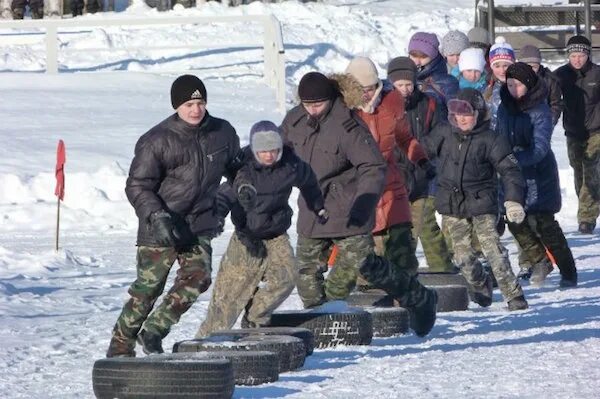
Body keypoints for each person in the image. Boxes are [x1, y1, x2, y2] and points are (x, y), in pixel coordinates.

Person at [106, 74, 242, 357]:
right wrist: (156, 216)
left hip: (199, 224)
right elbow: (137, 185)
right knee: (148, 290)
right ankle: (120, 346)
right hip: (161, 225)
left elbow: (237, 170)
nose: (195, 109)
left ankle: (154, 331)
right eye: (189, 103)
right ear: (176, 106)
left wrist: (242, 189)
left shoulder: (223, 132)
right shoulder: (157, 140)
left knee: (198, 278)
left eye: (200, 102)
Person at [195, 121, 327, 338]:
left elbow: (309, 182)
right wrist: (216, 217)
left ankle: (255, 318)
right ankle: (204, 343)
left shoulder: (291, 165)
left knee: (287, 277)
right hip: (246, 238)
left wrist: (318, 207)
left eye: (274, 150)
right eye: (263, 151)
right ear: (255, 150)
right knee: (228, 298)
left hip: (276, 235)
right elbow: (223, 196)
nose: (269, 156)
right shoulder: (242, 169)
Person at [280, 71, 387, 310]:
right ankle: (317, 320)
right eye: (307, 104)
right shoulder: (294, 121)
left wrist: (364, 203)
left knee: (356, 263)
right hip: (312, 210)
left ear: (329, 99)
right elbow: (276, 153)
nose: (313, 110)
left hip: (346, 208)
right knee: (306, 277)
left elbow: (373, 166)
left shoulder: (347, 125)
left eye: (318, 104)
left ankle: (412, 293)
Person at [424, 88, 528, 311]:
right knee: (462, 255)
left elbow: (511, 170)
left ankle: (513, 295)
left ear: (479, 114)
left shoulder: (491, 139)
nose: (461, 119)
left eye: (467, 114)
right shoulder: (443, 133)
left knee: (493, 250)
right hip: (452, 203)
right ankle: (480, 284)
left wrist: (513, 200)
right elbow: (420, 153)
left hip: (482, 202)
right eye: (457, 113)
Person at [496, 62, 578, 288]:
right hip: (513, 176)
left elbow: (540, 147)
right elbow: (498, 137)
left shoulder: (539, 110)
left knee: (544, 225)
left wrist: (513, 159)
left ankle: (568, 270)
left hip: (539, 176)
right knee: (514, 221)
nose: (513, 89)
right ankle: (540, 261)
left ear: (529, 85)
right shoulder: (504, 108)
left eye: (518, 85)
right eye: (510, 84)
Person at [387, 56, 455, 273]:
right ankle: (397, 273)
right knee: (397, 229)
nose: (405, 90)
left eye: (409, 84)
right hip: (394, 176)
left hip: (422, 174)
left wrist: (419, 149)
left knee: (426, 225)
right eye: (400, 85)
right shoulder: (383, 107)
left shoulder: (429, 103)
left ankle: (442, 269)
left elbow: (441, 131)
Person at [555, 35, 600, 234]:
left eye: (580, 55)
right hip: (573, 132)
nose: (577, 59)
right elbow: (545, 88)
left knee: (590, 170)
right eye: (573, 55)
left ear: (587, 55)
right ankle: (589, 204)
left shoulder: (597, 74)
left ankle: (586, 219)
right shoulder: (561, 75)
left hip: (595, 132)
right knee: (579, 172)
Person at [407, 32, 459, 117]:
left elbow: (455, 114)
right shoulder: (400, 73)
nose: (417, 62)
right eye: (413, 55)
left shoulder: (446, 83)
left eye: (423, 57)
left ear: (433, 56)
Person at [518, 45, 563, 127]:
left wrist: (549, 123)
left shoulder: (549, 80)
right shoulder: (514, 79)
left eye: (534, 67)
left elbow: (555, 104)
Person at [484, 36, 516, 130]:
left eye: (506, 65)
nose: (502, 70)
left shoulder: (520, 86)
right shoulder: (486, 86)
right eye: (497, 66)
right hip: (493, 140)